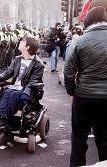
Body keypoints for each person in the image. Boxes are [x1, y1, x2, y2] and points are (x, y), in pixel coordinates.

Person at [64, 6, 107, 167]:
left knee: (79, 138)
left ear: (88, 21)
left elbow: (68, 71)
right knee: (104, 140)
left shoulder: (79, 41)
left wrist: (72, 91)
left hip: (84, 96)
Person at [0, 36, 44, 131]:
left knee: (12, 93)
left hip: (28, 90)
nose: (20, 42)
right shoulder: (17, 59)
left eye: (22, 42)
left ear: (27, 47)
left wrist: (25, 92)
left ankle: (0, 119)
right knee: (8, 91)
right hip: (15, 87)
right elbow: (8, 72)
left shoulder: (38, 64)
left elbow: (33, 82)